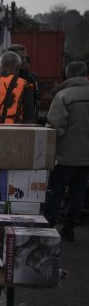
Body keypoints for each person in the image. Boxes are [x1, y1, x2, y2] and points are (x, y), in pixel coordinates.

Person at [43, 61, 89, 242]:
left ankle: (48, 228)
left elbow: (55, 127)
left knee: (56, 192)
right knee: (78, 193)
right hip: (86, 158)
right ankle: (69, 229)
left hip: (65, 157)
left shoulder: (64, 96)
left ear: (67, 75)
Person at [6, 43, 39, 122]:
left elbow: (32, 104)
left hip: (21, 123)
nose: (25, 61)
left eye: (25, 58)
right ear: (12, 58)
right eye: (22, 58)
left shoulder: (29, 79)